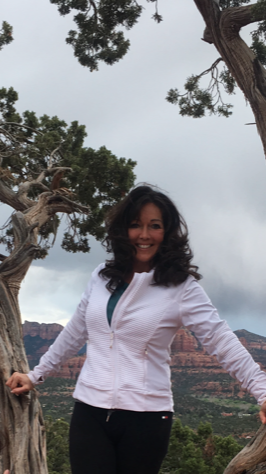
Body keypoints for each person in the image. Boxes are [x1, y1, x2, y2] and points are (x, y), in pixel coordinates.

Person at [6, 185, 266, 474]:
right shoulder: (101, 276)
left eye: (154, 226)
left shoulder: (181, 287)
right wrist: (35, 375)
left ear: (167, 233)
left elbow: (221, 341)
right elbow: (75, 332)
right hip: (89, 413)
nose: (144, 235)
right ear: (122, 230)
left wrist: (263, 391)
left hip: (147, 420)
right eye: (135, 225)